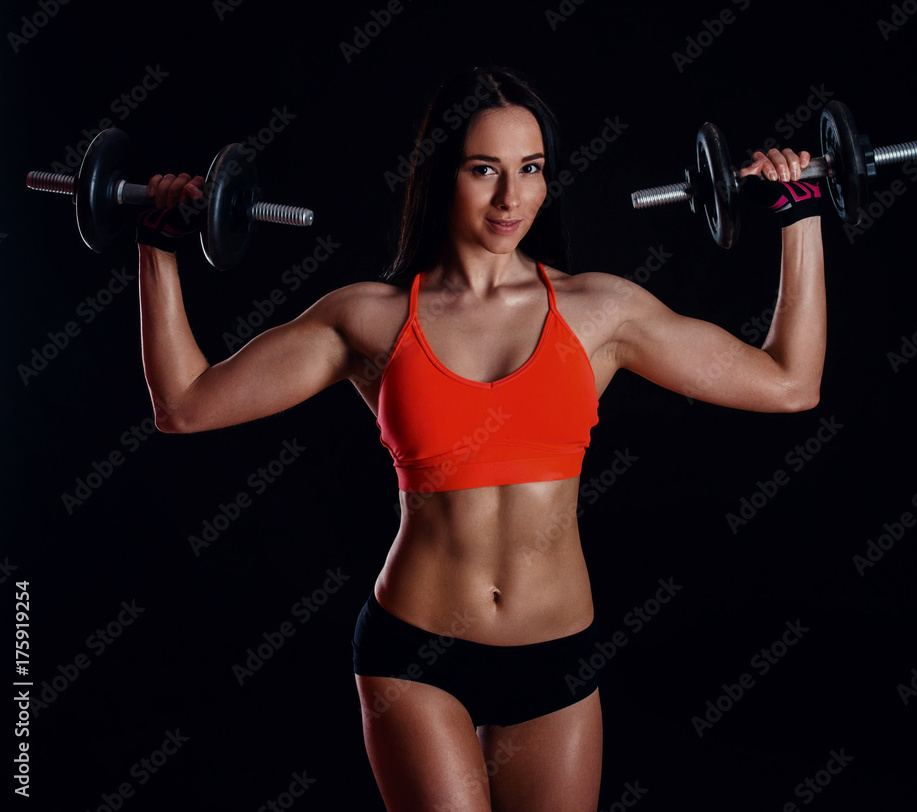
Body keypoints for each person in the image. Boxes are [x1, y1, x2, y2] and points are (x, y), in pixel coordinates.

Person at [136, 67, 825, 812]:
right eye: (483, 170)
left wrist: (801, 214)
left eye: (530, 170)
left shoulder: (603, 312)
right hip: (416, 655)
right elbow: (186, 405)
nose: (511, 198)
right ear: (441, 175)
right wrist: (158, 245)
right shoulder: (368, 319)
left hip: (556, 657)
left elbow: (790, 383)